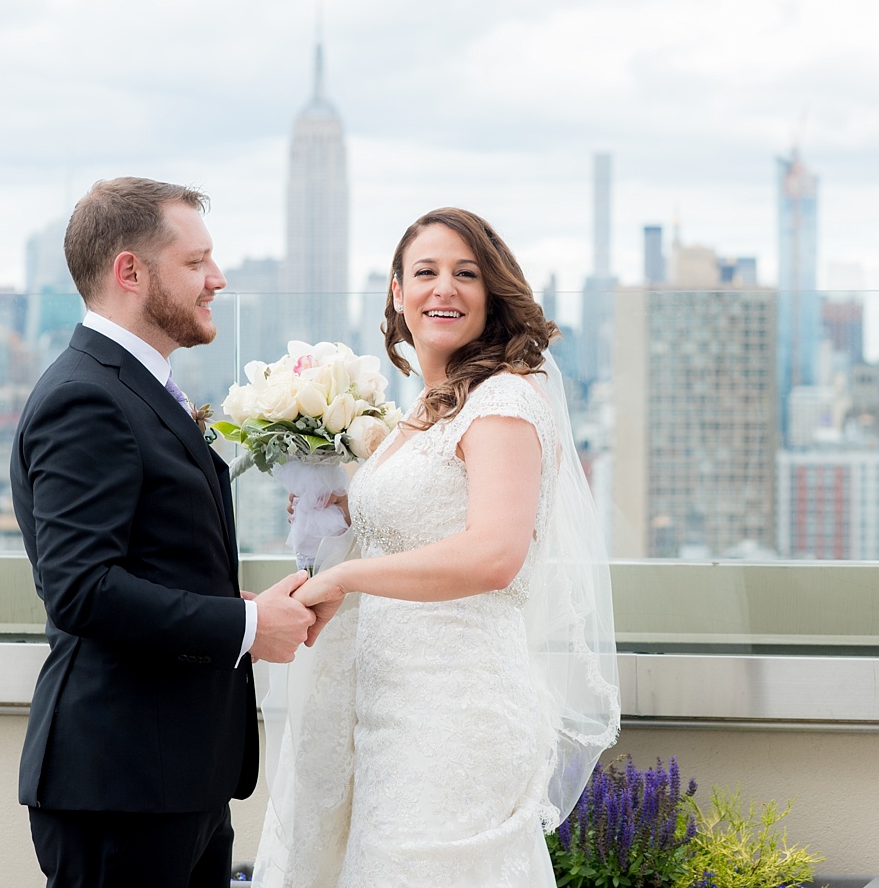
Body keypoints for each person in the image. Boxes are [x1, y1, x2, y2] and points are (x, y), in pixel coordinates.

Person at [252, 207, 620, 888]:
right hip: (387, 712)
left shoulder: (503, 401)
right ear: (396, 292)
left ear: (491, 294)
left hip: (455, 713)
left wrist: (349, 577)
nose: (443, 288)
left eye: (465, 273)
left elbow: (494, 554)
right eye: (425, 272)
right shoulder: (423, 411)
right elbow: (411, 531)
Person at [11, 178, 323, 888]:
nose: (217, 280)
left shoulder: (135, 385)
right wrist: (245, 624)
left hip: (179, 779)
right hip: (122, 785)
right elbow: (81, 588)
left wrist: (242, 602)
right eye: (196, 262)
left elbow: (142, 562)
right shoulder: (85, 396)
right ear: (130, 271)